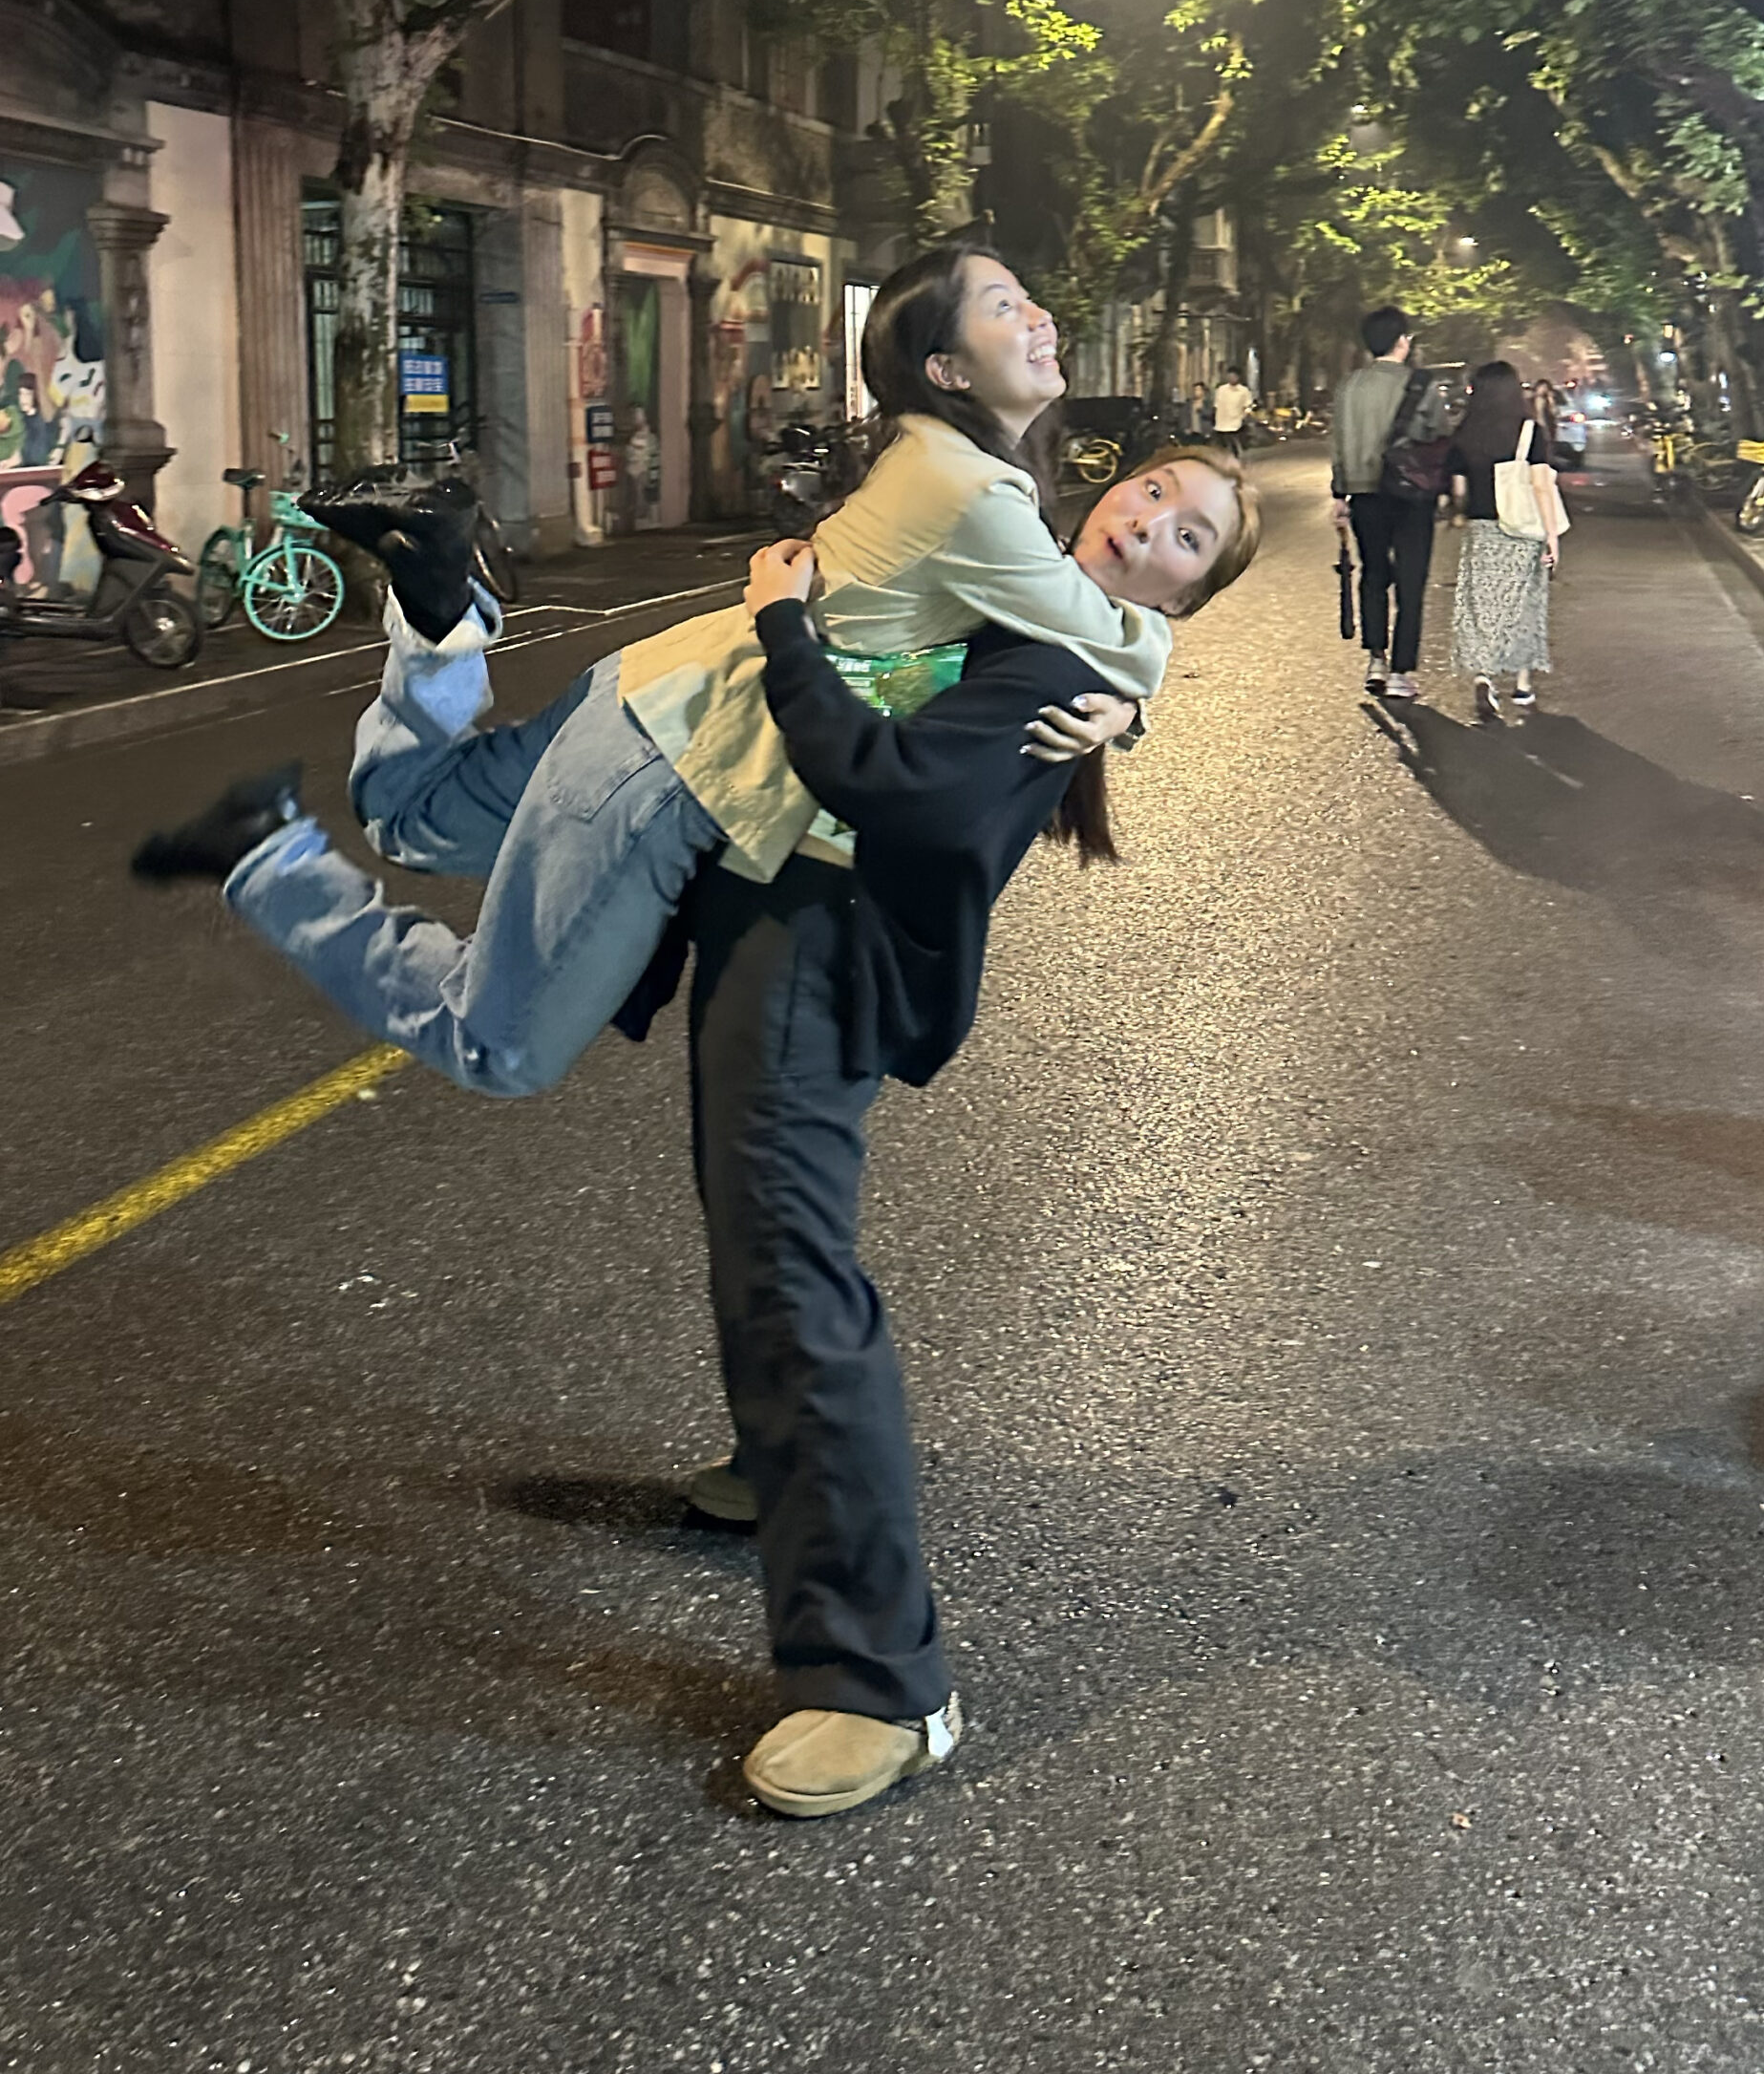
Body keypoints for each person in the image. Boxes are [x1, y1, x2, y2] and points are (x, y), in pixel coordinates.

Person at [137, 448, 1262, 1819]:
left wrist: (1114, 697)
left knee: (776, 1248)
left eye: (1188, 540)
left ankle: (880, 1686)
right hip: (738, 819)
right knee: (773, 1242)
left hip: (776, 859)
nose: (1146, 527)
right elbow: (939, 586)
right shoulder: (1026, 578)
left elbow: (932, 760)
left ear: (1189, 599)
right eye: (1153, 495)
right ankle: (855, 1627)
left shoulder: (1084, 659)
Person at [136, 247, 1206, 1101]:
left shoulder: (947, 461)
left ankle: (434, 604)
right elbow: (1112, 632)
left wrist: (1107, 711)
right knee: (497, 1047)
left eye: (1027, 300)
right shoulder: (977, 491)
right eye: (1005, 306)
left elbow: (1029, 644)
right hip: (681, 764)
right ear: (946, 368)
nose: (1039, 319)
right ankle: (272, 857)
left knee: (407, 814)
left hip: (655, 689)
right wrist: (1134, 690)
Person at [1330, 306, 1456, 699]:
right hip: (1412, 494)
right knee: (1411, 579)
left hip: (1364, 493)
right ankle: (1402, 671)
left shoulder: (1348, 387)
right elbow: (1439, 436)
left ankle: (1376, 660)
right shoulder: (1421, 385)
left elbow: (1338, 445)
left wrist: (1339, 495)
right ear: (1404, 341)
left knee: (1373, 575)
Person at [1444, 360, 1565, 720]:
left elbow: (1459, 490)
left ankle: (1484, 677)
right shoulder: (1530, 431)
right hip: (1524, 529)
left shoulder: (1465, 433)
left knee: (1483, 607)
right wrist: (1552, 537)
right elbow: (1542, 487)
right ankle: (1523, 685)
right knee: (1525, 604)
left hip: (1482, 528)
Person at [1211, 367, 1253, 457]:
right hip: (1221, 421)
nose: (1231, 378)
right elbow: (1216, 405)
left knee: (1233, 443)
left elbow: (1248, 405)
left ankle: (1235, 459)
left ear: (1238, 377)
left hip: (1236, 422)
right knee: (1222, 445)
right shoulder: (1221, 390)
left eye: (1234, 376)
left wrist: (1244, 416)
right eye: (1229, 376)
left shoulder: (1243, 391)